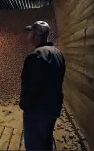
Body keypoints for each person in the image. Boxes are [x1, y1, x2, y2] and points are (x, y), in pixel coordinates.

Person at [19, 21, 66, 150]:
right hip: (53, 108)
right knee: (47, 142)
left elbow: (31, 85)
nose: (28, 36)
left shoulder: (35, 56)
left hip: (37, 110)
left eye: (30, 33)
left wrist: (25, 105)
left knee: (34, 144)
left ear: (34, 36)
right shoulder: (58, 53)